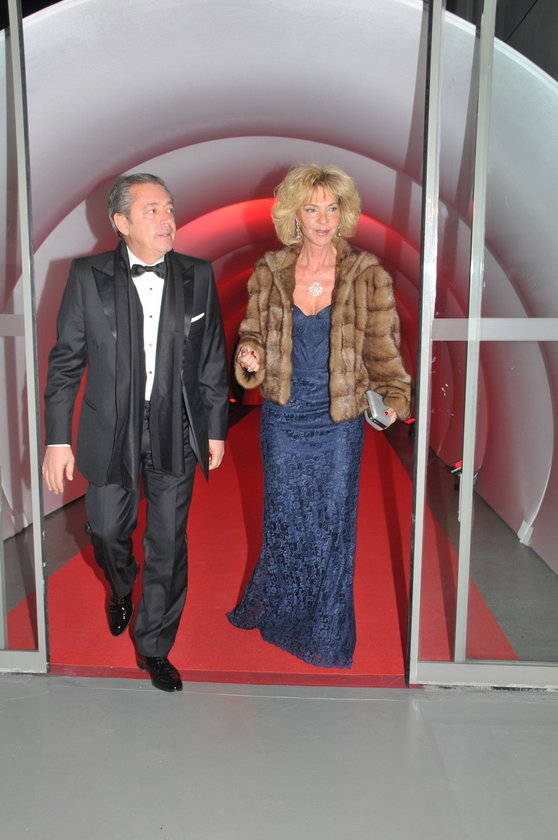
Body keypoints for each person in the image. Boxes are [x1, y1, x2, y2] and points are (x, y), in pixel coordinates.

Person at [42, 173, 229, 692]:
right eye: (152, 210)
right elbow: (65, 364)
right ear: (121, 222)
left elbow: (212, 356)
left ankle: (155, 647)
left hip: (177, 426)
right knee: (105, 531)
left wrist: (215, 428)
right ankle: (121, 584)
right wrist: (57, 439)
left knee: (168, 542)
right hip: (110, 429)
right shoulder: (86, 276)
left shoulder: (198, 274)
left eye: (169, 208)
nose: (167, 219)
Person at [227, 164, 411, 668]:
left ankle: (325, 633)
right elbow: (252, 332)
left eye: (332, 208)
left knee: (331, 523)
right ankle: (281, 612)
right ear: (295, 215)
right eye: (312, 208)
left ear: (345, 213)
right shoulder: (269, 270)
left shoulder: (367, 274)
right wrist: (250, 354)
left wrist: (393, 397)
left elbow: (383, 349)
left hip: (338, 423)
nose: (324, 219)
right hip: (284, 417)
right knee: (285, 518)